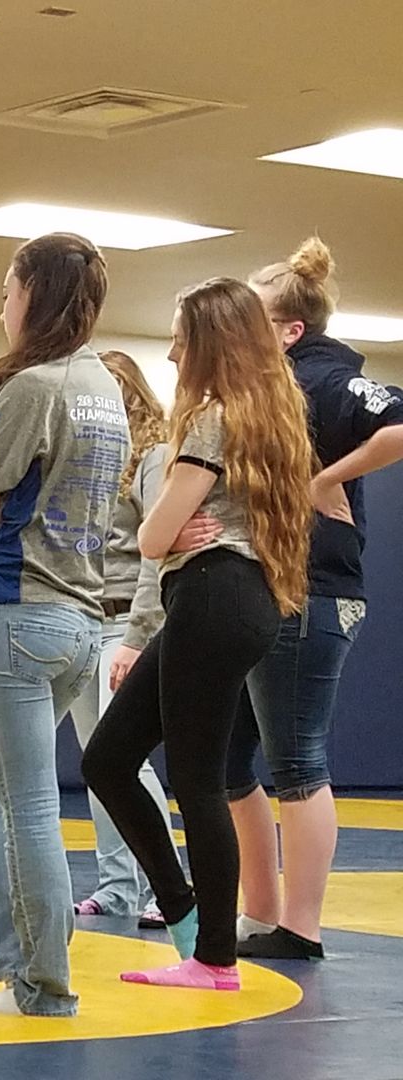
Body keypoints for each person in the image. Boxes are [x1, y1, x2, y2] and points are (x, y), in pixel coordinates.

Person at [83, 278, 313, 990]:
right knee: (111, 760)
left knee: (194, 781)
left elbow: (152, 537)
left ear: (210, 343)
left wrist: (169, 532)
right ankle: (194, 925)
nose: (175, 353)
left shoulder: (213, 419)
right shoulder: (275, 415)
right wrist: (171, 534)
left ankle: (212, 955)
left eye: (182, 338)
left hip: (213, 595)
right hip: (236, 601)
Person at [0, 232, 128, 1018]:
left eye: (8, 290)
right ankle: (21, 968)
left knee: (28, 806)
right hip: (82, 620)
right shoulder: (105, 388)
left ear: (34, 296)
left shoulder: (33, 389)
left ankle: (42, 985)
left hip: (17, 614)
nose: (1, 304)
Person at [227, 239, 403, 960]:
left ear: (289, 329)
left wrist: (326, 480)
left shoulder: (325, 378)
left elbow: (395, 424)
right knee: (227, 763)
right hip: (269, 589)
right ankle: (261, 908)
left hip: (315, 592)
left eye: (252, 321)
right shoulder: (272, 388)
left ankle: (300, 925)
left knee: (297, 760)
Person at [71, 352, 179, 927]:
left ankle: (168, 885)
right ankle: (117, 885)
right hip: (86, 616)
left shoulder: (154, 455)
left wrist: (139, 633)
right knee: (97, 761)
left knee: (126, 758)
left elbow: (157, 551)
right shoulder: (91, 458)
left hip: (128, 621)